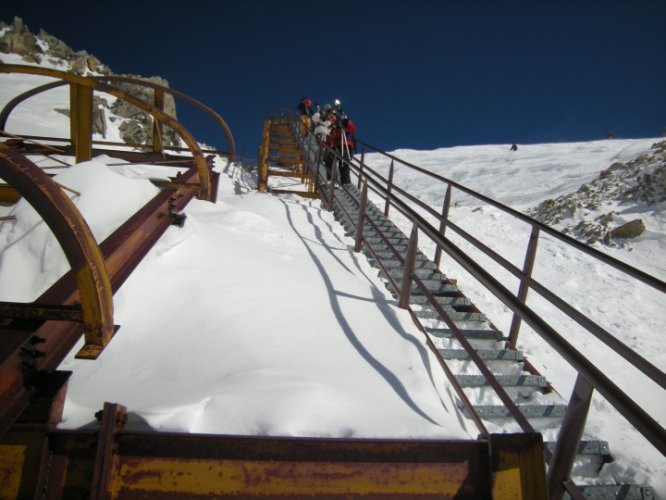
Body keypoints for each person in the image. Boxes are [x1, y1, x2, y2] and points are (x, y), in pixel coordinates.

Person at [324, 109, 356, 186]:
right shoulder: (331, 128)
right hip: (335, 146)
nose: (331, 119)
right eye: (329, 118)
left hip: (344, 143)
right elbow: (329, 140)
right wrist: (325, 145)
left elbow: (352, 129)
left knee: (343, 161)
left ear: (336, 117)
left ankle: (345, 181)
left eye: (332, 117)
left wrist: (346, 121)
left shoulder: (341, 123)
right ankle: (331, 179)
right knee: (328, 159)